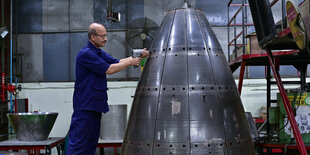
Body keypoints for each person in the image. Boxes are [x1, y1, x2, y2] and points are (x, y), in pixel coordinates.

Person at [67, 23, 149, 154]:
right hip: (85, 107)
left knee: (90, 144)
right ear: (93, 37)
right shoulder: (86, 54)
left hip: (94, 106)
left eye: (106, 35)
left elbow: (116, 62)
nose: (106, 38)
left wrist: (139, 55)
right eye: (103, 36)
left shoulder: (97, 52)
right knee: (79, 144)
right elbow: (109, 69)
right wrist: (131, 62)